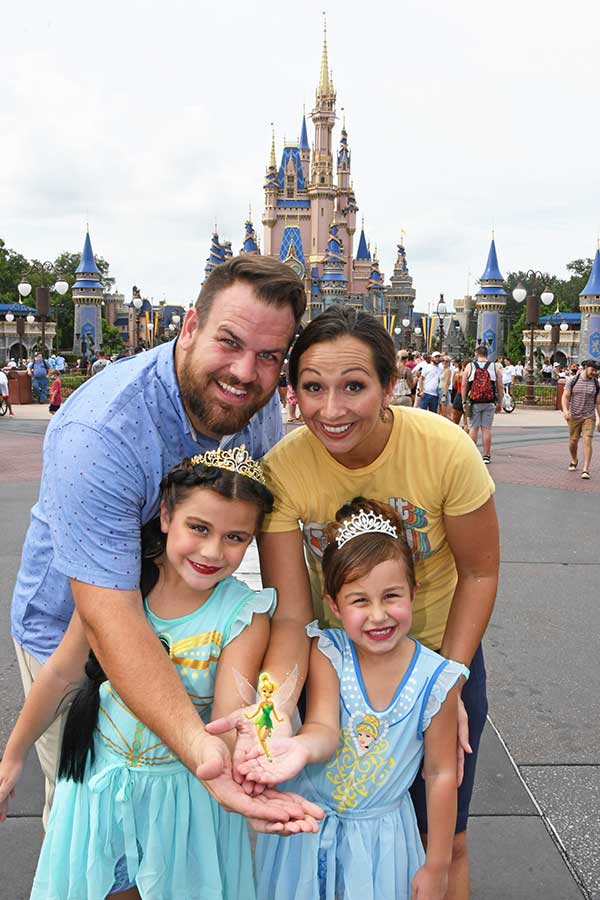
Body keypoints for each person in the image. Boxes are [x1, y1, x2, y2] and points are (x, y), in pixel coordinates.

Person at [10, 254, 306, 828]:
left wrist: (266, 715)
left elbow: (281, 596)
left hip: (191, 631)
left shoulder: (258, 412)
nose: (246, 372)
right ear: (190, 326)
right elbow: (107, 619)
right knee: (90, 817)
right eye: (230, 341)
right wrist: (201, 750)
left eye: (270, 356)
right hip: (77, 632)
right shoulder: (101, 432)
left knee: (169, 819)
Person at [232, 305, 498, 900]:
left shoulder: (444, 450)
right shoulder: (285, 471)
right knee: (337, 823)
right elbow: (295, 615)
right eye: (312, 388)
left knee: (444, 836)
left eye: (354, 386)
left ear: (390, 385)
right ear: (292, 392)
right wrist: (269, 711)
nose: (332, 410)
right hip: (341, 669)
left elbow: (479, 572)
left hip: (436, 653)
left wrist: (447, 686)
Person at [1, 452, 322, 898]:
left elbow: (229, 716)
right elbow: (60, 675)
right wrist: (12, 757)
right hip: (100, 789)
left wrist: (250, 767)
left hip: (184, 799)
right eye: (199, 528)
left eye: (235, 537)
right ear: (168, 515)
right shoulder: (118, 586)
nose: (213, 551)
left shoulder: (242, 614)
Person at [242, 498, 469, 900]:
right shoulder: (330, 652)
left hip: (381, 843)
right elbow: (323, 728)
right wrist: (295, 748)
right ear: (334, 605)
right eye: (360, 601)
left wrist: (437, 866)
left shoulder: (438, 679)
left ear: (414, 593)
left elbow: (440, 775)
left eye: (392, 596)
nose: (378, 615)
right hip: (308, 833)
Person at [462, 346, 502, 464]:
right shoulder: (495, 367)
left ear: (476, 354)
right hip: (489, 402)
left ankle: (471, 454)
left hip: (474, 402)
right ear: (487, 354)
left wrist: (464, 401)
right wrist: (499, 402)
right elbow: (500, 386)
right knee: (486, 429)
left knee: (473, 428)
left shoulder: (470, 366)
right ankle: (486, 456)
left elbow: (464, 385)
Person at [561, 359, 600, 480]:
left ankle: (586, 469)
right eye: (592, 370)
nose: (594, 372)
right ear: (585, 367)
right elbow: (565, 397)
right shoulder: (572, 380)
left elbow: (598, 403)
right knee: (573, 441)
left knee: (587, 439)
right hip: (574, 416)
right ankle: (574, 459)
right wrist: (566, 411)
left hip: (589, 416)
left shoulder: (596, 383)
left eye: (596, 370)